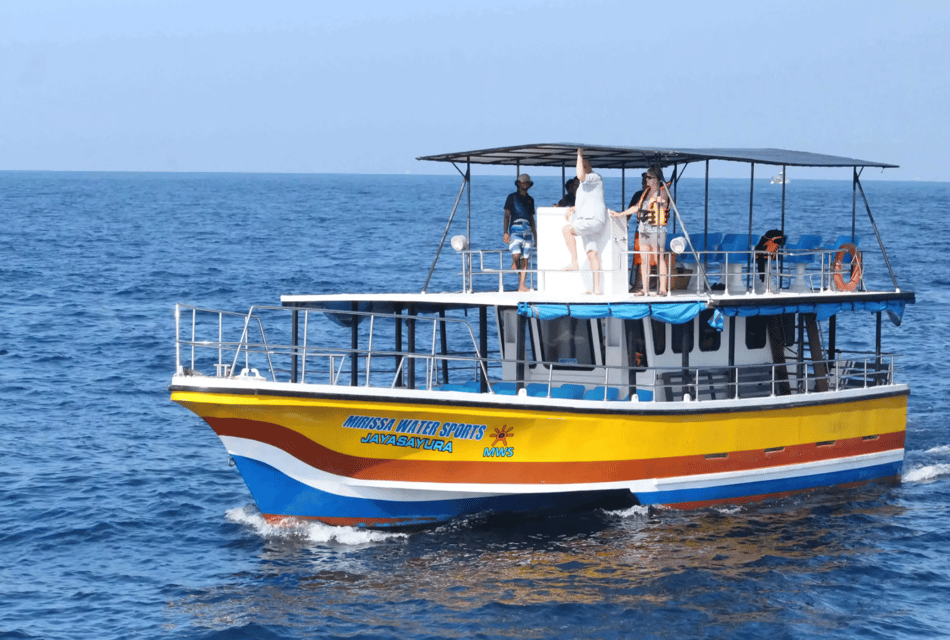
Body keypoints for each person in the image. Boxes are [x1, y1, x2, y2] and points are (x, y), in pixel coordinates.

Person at [610, 166, 670, 295]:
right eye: (646, 177)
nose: (646, 179)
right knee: (644, 259)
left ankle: (663, 288)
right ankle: (645, 288)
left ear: (656, 179)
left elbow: (664, 203)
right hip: (643, 229)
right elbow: (637, 207)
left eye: (649, 177)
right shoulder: (645, 192)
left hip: (656, 229)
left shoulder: (663, 192)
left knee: (658, 257)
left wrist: (659, 200)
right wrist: (621, 215)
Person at [562, 148, 607, 295]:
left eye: (582, 165)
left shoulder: (594, 177)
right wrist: (573, 208)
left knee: (568, 230)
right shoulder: (584, 186)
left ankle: (574, 262)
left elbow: (580, 175)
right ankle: (596, 289)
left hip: (593, 220)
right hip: (588, 221)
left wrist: (579, 154)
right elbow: (589, 200)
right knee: (592, 253)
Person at [503, 173, 538, 292]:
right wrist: (505, 232)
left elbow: (532, 219)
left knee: (525, 258)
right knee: (517, 255)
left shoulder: (530, 200)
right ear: (518, 184)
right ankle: (514, 261)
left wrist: (536, 236)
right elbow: (507, 216)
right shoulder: (511, 197)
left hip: (527, 231)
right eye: (523, 182)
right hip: (515, 230)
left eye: (527, 183)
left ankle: (522, 285)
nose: (525, 184)